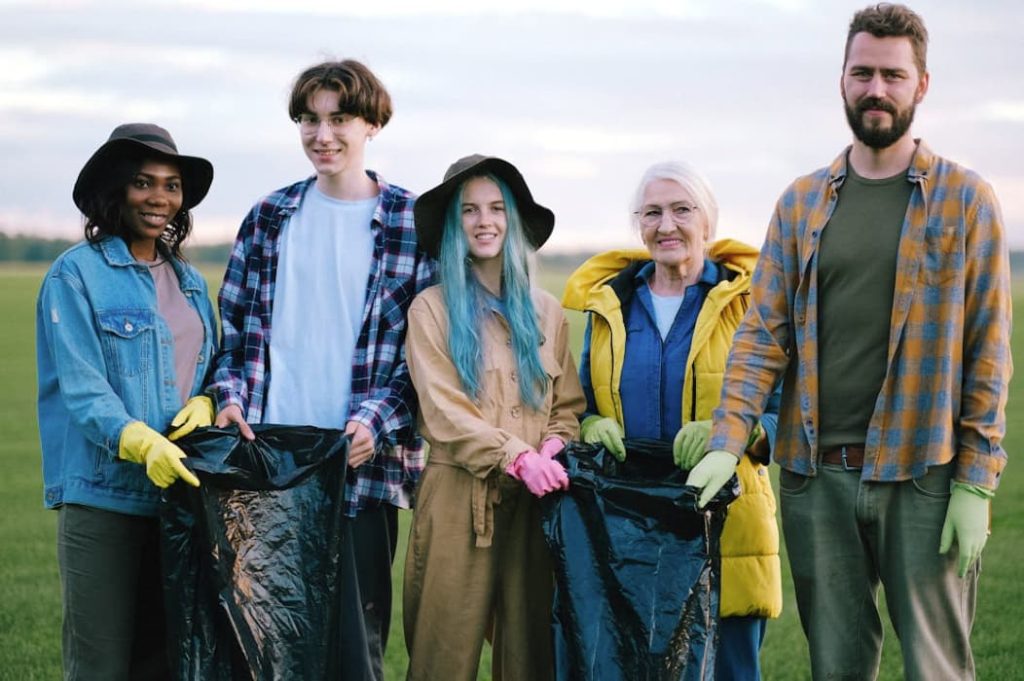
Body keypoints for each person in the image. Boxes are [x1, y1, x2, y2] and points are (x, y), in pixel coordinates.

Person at [689, 4, 1013, 679]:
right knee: (836, 669)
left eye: (893, 75)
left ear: (921, 84)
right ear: (841, 79)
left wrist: (976, 483)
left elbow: (989, 350)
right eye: (862, 72)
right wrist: (728, 439)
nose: (876, 89)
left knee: (938, 668)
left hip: (923, 474)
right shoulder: (802, 203)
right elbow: (761, 337)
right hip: (818, 477)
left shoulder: (967, 200)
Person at [206, 59, 434, 678]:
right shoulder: (269, 216)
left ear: (372, 125)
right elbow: (234, 337)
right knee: (265, 645)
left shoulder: (415, 224)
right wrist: (230, 400)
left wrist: (376, 424)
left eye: (340, 118)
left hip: (357, 464)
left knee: (353, 650)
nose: (322, 134)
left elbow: (429, 360)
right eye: (309, 118)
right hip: (267, 464)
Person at [562, 161, 782, 680]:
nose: (667, 225)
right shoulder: (609, 304)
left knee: (726, 666)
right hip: (627, 529)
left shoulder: (751, 303)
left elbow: (785, 408)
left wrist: (732, 431)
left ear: (708, 221)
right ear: (638, 223)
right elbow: (580, 398)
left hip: (725, 523)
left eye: (682, 210)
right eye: (652, 212)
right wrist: (590, 423)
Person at [36, 122, 217, 680]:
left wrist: (209, 399)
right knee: (102, 666)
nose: (159, 198)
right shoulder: (76, 274)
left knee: (167, 662)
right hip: (104, 500)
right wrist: (138, 440)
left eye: (171, 185)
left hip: (181, 503)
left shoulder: (189, 281)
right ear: (116, 189)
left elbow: (209, 365)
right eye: (143, 182)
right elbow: (83, 388)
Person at [402, 155, 585, 681]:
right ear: (453, 226)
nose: (485, 221)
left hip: (534, 504)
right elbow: (442, 411)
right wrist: (515, 456)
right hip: (459, 498)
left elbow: (567, 406)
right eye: (469, 211)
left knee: (530, 656)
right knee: (442, 657)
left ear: (513, 221)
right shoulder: (430, 310)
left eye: (497, 208)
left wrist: (551, 446)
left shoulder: (547, 311)